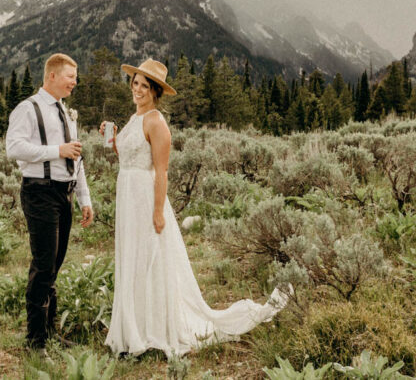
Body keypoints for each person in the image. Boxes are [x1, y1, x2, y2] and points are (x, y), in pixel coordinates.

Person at [102, 58, 291, 357]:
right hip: (127, 195)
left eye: (145, 86)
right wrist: (113, 139)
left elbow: (161, 171)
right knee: (133, 259)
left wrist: (158, 212)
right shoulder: (134, 117)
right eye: (135, 83)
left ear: (155, 92)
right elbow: (129, 155)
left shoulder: (156, 121)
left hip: (145, 198)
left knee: (149, 260)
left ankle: (153, 330)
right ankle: (133, 327)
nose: (138, 89)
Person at [6, 53, 95, 356]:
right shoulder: (27, 109)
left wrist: (84, 198)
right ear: (53, 76)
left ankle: (50, 331)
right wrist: (57, 150)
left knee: (54, 265)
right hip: (39, 192)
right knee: (43, 265)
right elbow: (14, 147)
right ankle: (35, 340)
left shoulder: (66, 112)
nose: (75, 81)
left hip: (64, 193)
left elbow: (76, 157)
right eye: (71, 76)